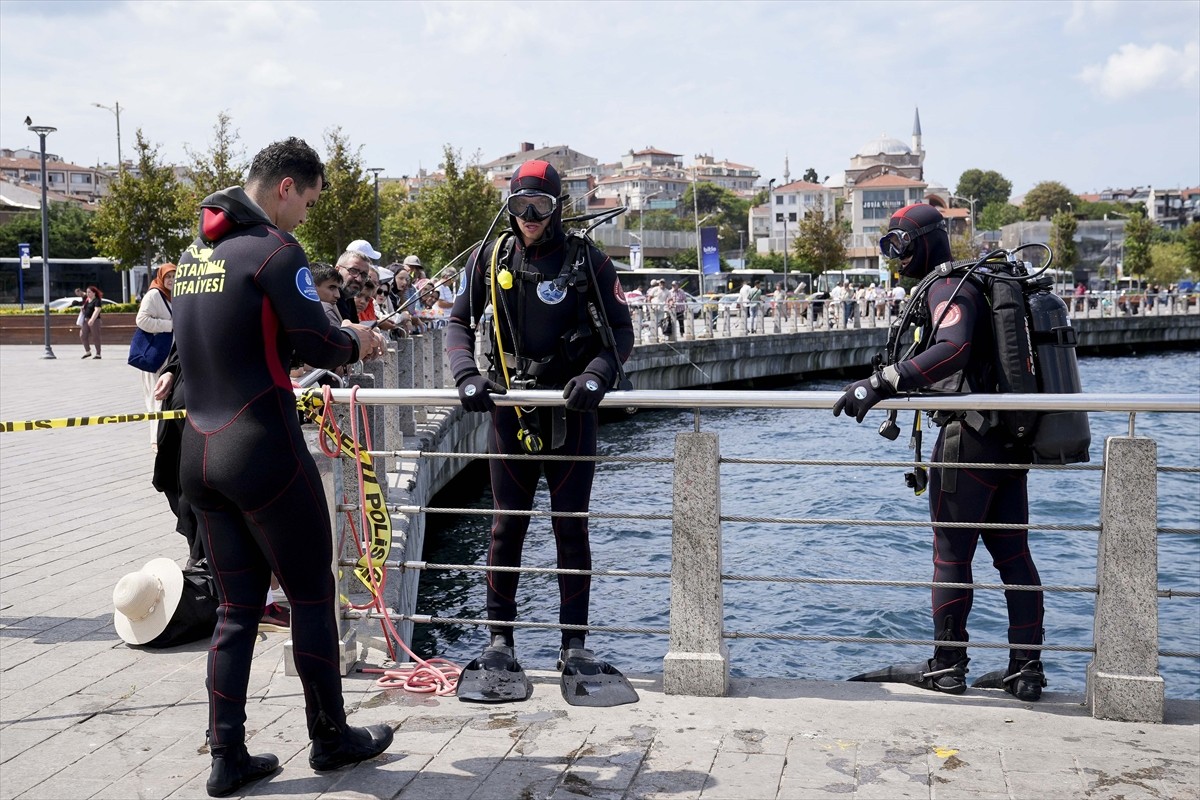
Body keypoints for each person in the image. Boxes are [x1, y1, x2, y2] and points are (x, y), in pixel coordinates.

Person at [171, 137, 393, 797]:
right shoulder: (274, 250)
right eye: (310, 201)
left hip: (199, 451)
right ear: (287, 187)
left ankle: (227, 756)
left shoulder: (194, 254)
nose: (306, 218)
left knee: (238, 608)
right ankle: (330, 738)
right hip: (261, 449)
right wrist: (358, 338)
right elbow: (316, 340)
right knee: (311, 597)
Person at [834, 202, 1046, 702]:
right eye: (889, 245)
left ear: (927, 241)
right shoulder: (979, 282)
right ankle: (1026, 669)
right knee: (1014, 556)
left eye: (901, 243)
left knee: (951, 556)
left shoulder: (947, 286)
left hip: (967, 440)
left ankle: (947, 665)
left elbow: (951, 348)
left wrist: (880, 383)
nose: (896, 256)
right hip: (1007, 439)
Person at [445, 159, 636, 706]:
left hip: (572, 411)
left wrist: (599, 374)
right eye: (520, 207)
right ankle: (500, 640)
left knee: (571, 530)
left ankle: (573, 646)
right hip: (511, 408)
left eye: (541, 207)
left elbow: (622, 331)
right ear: (509, 207)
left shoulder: (588, 262)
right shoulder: (490, 257)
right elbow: (457, 322)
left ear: (558, 208)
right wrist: (466, 375)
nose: (530, 218)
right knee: (507, 529)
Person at [134, 264, 176, 443]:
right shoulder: (154, 295)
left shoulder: (176, 296)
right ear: (161, 277)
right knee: (156, 396)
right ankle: (156, 439)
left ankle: (164, 437)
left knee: (167, 397)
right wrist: (169, 325)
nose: (172, 280)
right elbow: (141, 320)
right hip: (157, 354)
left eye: (175, 276)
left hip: (172, 355)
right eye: (168, 276)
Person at [334, 250, 371, 323]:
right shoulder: (327, 298)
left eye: (364, 275)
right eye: (353, 271)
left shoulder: (348, 298)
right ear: (337, 270)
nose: (359, 279)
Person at [80, 285, 104, 359]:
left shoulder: (97, 300)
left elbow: (97, 310)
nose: (87, 294)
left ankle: (98, 354)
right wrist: (82, 309)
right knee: (82, 335)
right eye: (87, 292)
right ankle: (88, 351)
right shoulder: (87, 300)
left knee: (96, 337)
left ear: (94, 293)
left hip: (95, 321)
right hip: (86, 320)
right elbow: (85, 309)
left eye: (89, 292)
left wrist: (92, 319)